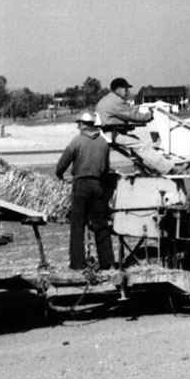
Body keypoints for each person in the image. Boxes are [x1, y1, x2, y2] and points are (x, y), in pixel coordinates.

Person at [55, 112, 115, 271]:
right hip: (98, 186)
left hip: (81, 185)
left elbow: (61, 165)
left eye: (79, 124)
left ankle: (77, 263)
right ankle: (107, 262)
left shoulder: (77, 141)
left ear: (82, 124)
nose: (78, 127)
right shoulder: (103, 142)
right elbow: (107, 168)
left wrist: (59, 175)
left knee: (77, 226)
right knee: (101, 225)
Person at [95, 77, 178, 174]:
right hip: (112, 133)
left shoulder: (108, 99)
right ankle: (169, 169)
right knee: (142, 146)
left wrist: (138, 109)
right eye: (125, 89)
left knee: (135, 140)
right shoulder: (116, 101)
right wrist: (150, 115)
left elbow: (126, 111)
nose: (127, 92)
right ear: (119, 89)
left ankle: (139, 170)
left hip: (109, 132)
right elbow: (133, 116)